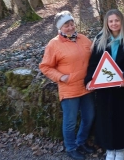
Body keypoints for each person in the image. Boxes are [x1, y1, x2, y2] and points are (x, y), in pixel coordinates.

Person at [84, 9, 124, 160]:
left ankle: (121, 149)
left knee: (123, 118)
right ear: (106, 23)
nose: (114, 23)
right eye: (111, 21)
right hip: (105, 88)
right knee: (106, 119)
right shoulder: (100, 40)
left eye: (117, 20)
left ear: (122, 21)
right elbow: (94, 64)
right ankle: (110, 149)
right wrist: (90, 80)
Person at [39, 11, 95, 160]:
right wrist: (61, 77)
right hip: (69, 89)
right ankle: (71, 147)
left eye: (71, 24)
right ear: (60, 27)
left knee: (89, 117)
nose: (70, 27)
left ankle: (81, 142)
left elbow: (95, 56)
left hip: (87, 87)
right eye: (66, 25)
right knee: (70, 122)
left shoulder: (83, 39)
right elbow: (45, 67)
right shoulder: (54, 44)